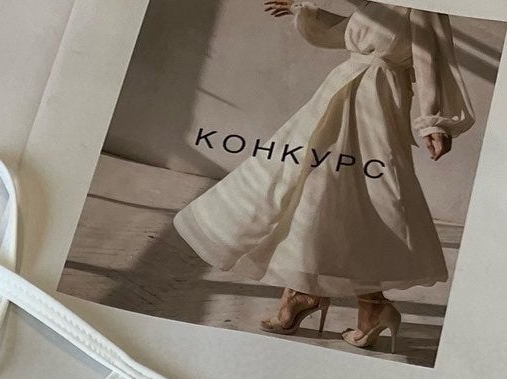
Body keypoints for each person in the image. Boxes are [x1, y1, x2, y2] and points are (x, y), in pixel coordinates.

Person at [173, 2, 473, 350]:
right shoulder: (378, 5)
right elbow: (357, 30)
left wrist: (433, 121)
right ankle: (340, 301)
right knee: (317, 186)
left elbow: (429, 57)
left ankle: (325, 298)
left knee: (366, 196)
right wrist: (305, 11)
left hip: (377, 100)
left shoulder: (422, 7)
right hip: (342, 91)